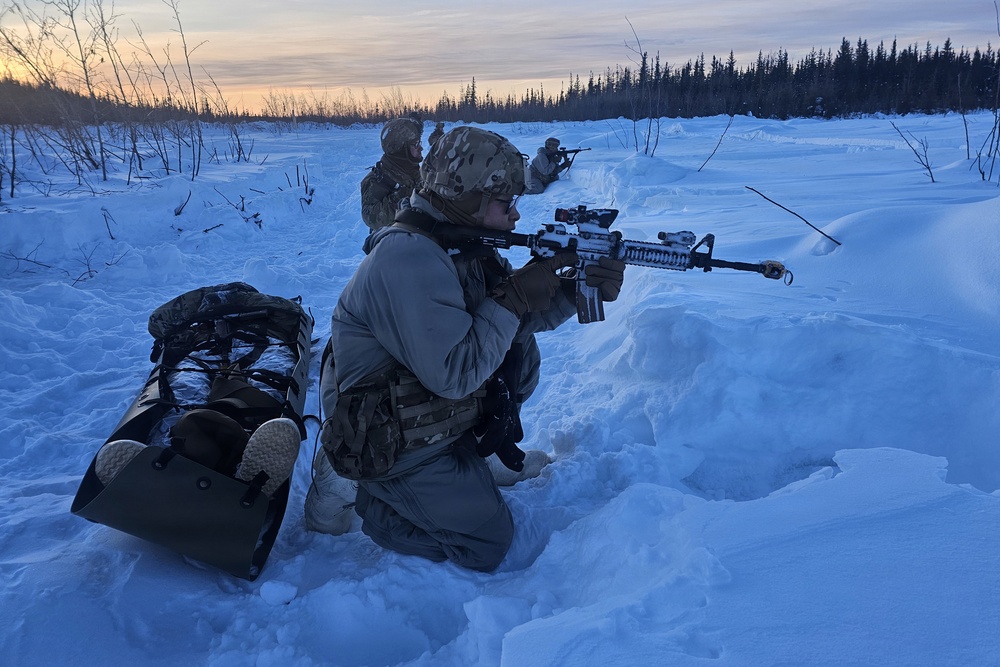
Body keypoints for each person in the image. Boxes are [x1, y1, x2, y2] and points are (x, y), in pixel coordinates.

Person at [304, 126, 626, 571]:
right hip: (378, 424)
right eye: (504, 203)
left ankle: (460, 458)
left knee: (517, 357)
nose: (515, 216)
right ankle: (358, 486)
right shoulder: (409, 257)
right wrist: (513, 295)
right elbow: (456, 373)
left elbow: (508, 323)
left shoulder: (460, 238)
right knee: (487, 544)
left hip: (418, 399)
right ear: (470, 197)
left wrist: (571, 291)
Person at [359, 117, 423, 232]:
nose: (421, 148)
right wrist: (405, 196)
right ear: (401, 148)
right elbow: (372, 219)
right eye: (415, 144)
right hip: (393, 242)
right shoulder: (377, 180)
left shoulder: (415, 171)